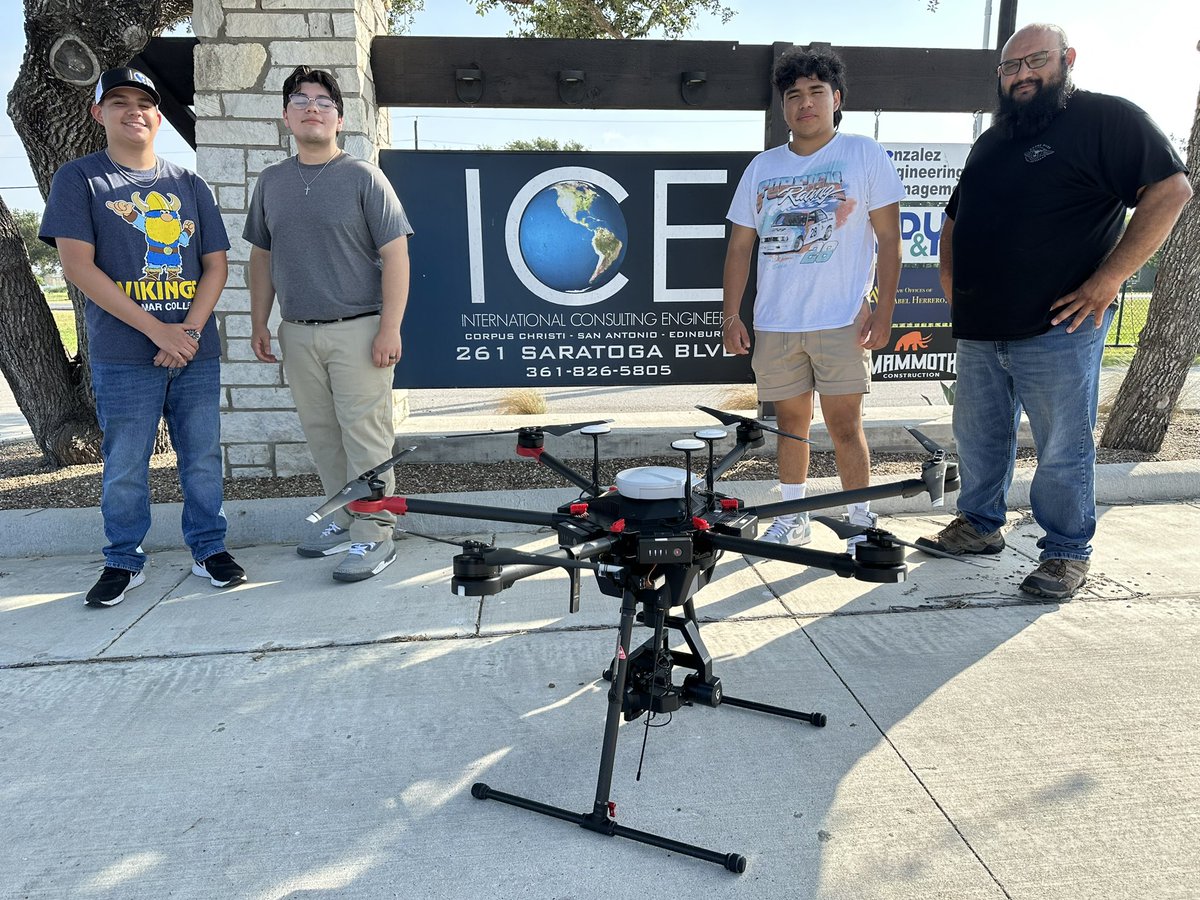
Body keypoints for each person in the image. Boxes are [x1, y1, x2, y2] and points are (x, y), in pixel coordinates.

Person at [917, 24, 1191, 599]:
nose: (1021, 75)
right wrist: (952, 282)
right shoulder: (993, 141)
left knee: (1064, 445)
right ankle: (979, 524)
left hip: (1059, 327)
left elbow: (1171, 191)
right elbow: (954, 219)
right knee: (979, 437)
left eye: (1034, 62)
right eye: (1010, 68)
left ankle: (1066, 552)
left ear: (1067, 59)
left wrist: (1108, 280)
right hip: (980, 327)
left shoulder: (1106, 120)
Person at [40, 67, 245, 607]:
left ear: (158, 115)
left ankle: (208, 548)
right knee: (126, 463)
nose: (134, 111)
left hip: (194, 352)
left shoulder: (189, 184)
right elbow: (79, 268)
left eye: (144, 103)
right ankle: (123, 560)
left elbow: (216, 267)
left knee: (200, 456)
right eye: (119, 101)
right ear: (98, 113)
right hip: (124, 353)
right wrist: (159, 331)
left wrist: (189, 333)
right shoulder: (80, 179)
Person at [723, 48, 904, 553]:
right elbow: (740, 245)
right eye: (794, 95)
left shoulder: (864, 154)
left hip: (842, 320)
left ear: (836, 99)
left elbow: (889, 240)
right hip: (776, 323)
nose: (805, 103)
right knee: (791, 426)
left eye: (816, 92)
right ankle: (794, 514)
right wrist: (731, 315)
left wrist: (884, 309)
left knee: (847, 426)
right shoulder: (763, 167)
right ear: (784, 106)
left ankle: (860, 520)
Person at [245, 65, 413, 583]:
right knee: (323, 437)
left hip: (359, 331)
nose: (312, 108)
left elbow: (396, 255)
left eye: (323, 101)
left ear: (339, 118)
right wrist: (260, 322)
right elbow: (260, 258)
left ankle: (374, 535)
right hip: (298, 330)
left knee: (366, 438)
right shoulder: (271, 182)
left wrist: (391, 327)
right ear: (285, 116)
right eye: (301, 100)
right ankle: (343, 518)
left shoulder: (363, 178)